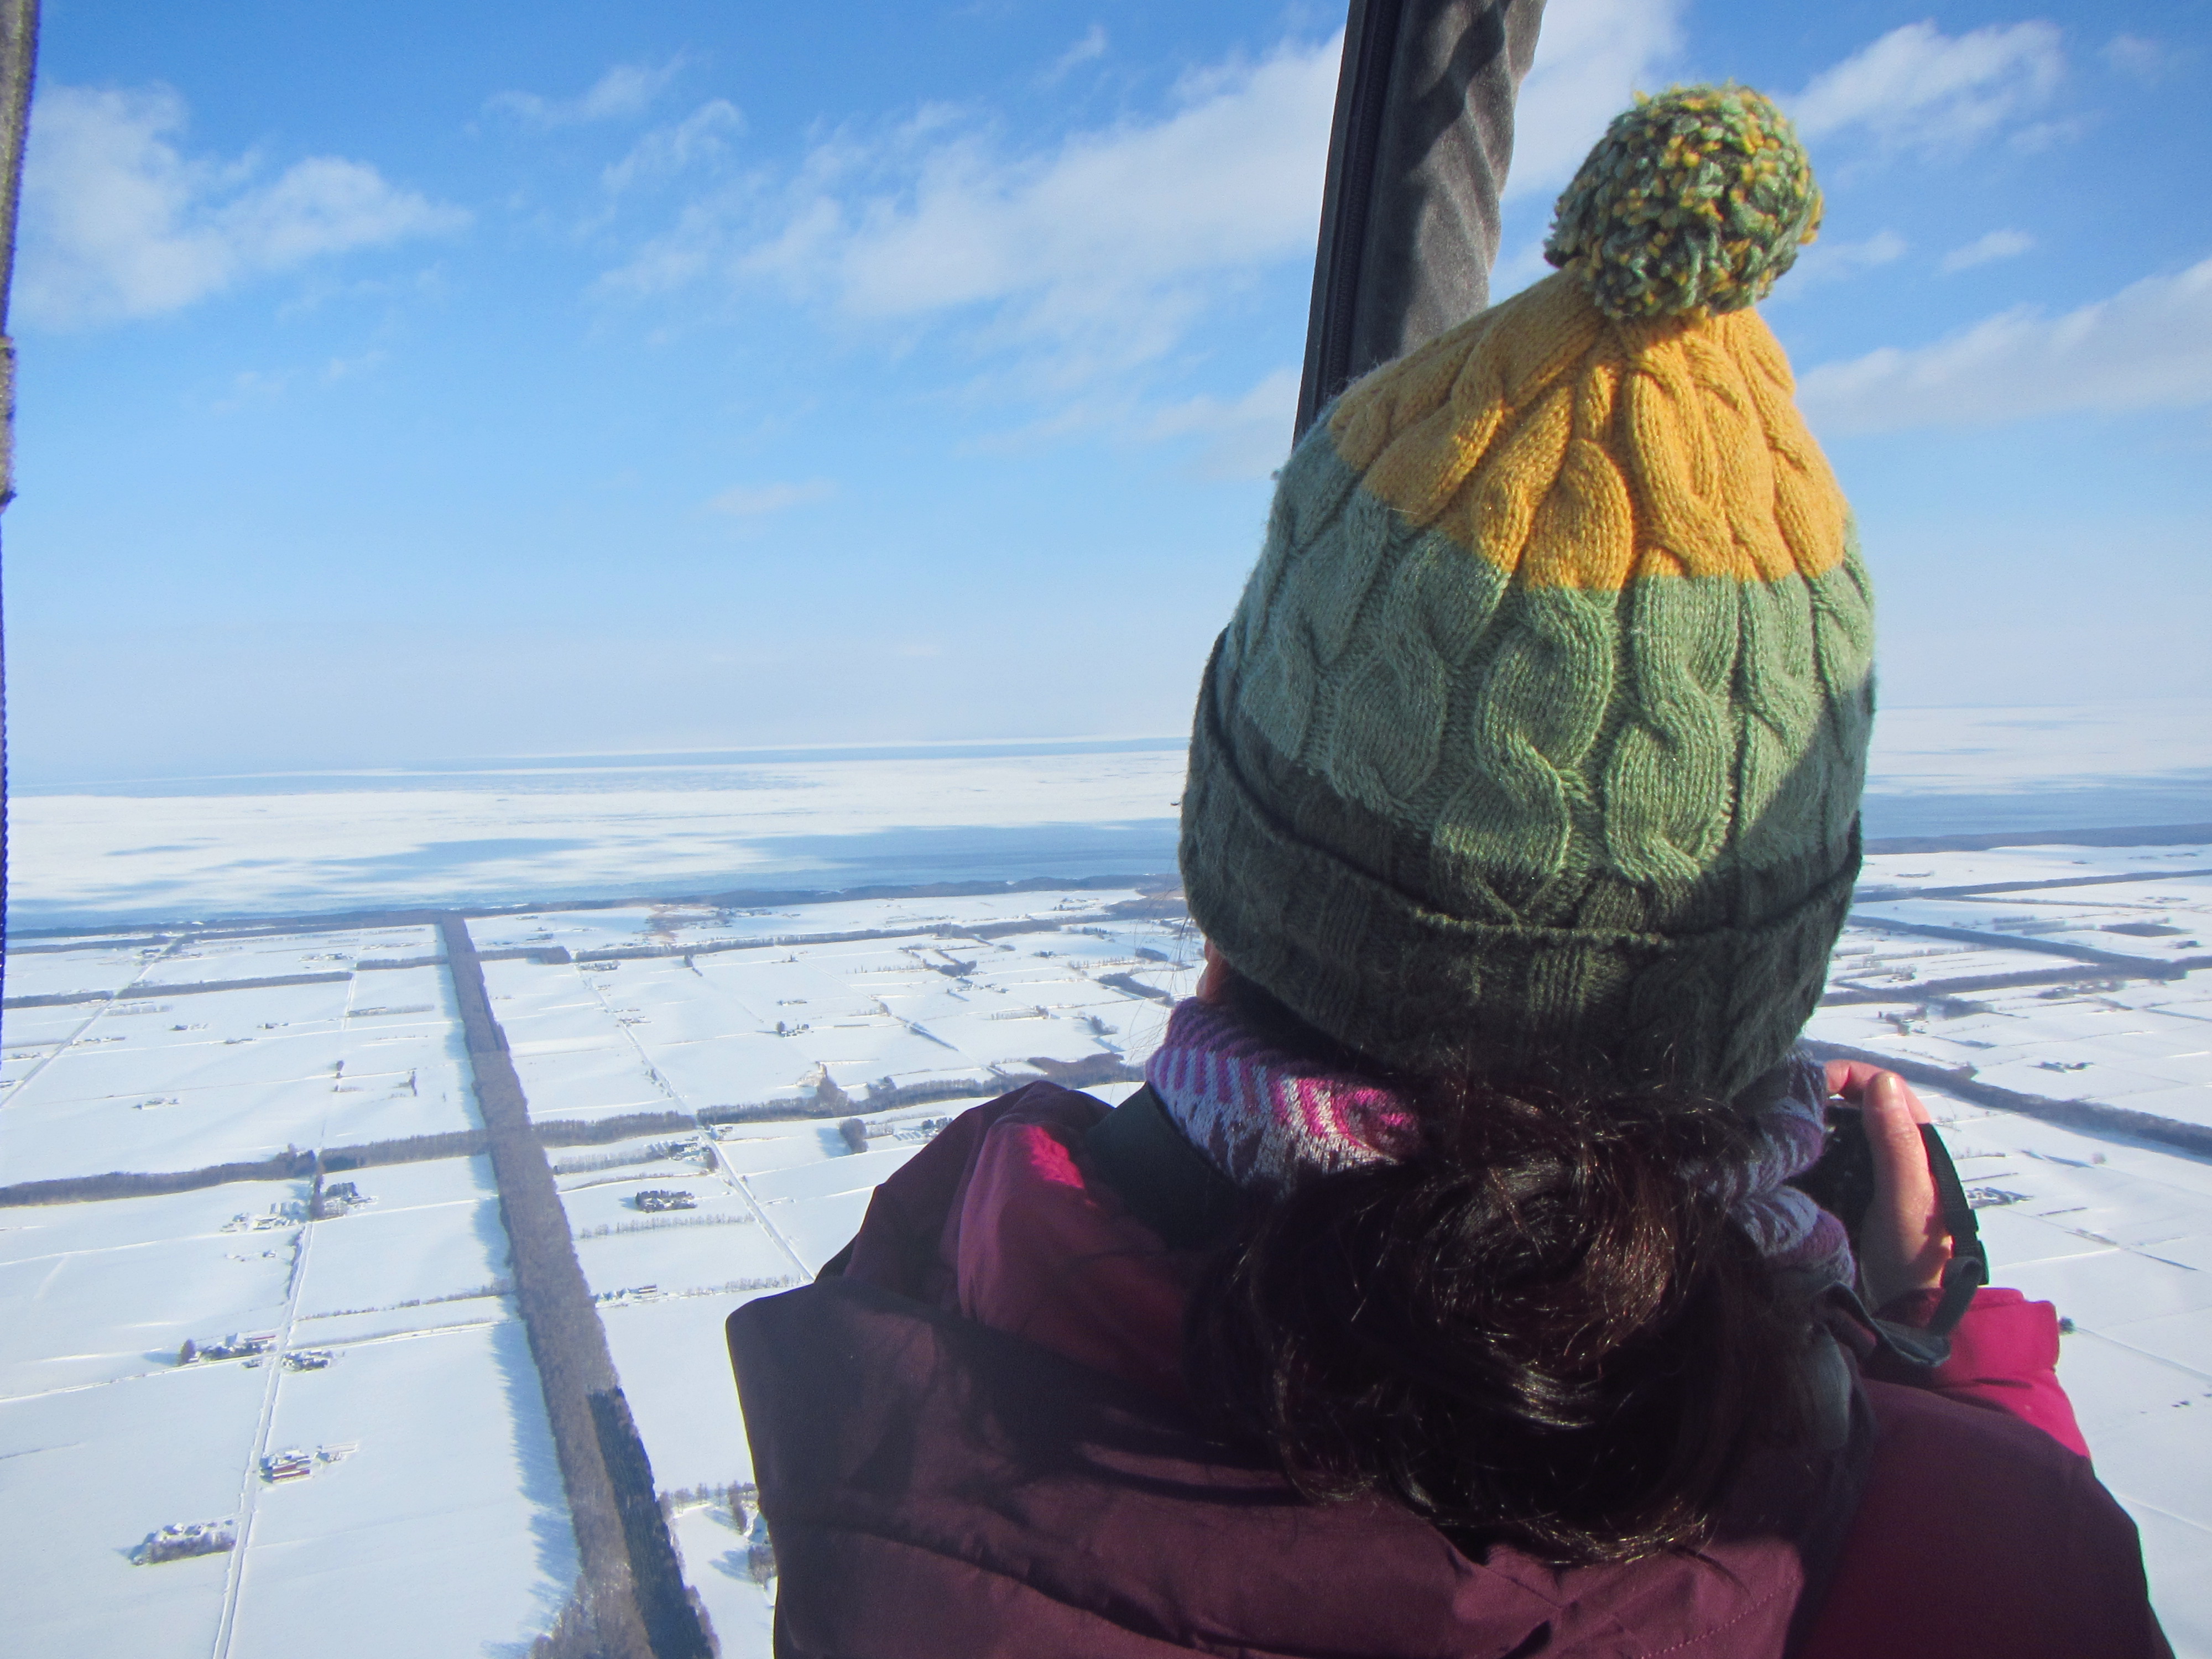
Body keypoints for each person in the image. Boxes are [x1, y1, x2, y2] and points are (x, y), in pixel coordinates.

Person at [729, 85, 2170, 1658]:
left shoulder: (934, 1309)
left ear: (1241, 868)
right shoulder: (1985, 1561)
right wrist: (1934, 1362)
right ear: (1756, 978)